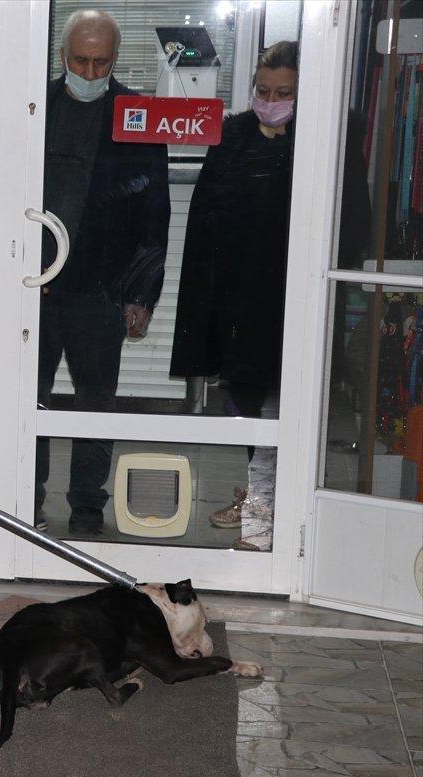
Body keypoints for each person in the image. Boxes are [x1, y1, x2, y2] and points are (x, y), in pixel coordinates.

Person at [170, 41, 370, 551]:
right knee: (242, 397)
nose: (271, 100)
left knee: (293, 400)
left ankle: (270, 509)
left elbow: (353, 220)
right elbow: (204, 219)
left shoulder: (326, 137)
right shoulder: (233, 134)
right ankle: (263, 493)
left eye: (284, 93)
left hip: (296, 296)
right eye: (264, 90)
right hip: (238, 298)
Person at [36, 10, 170, 537]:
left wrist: (142, 293)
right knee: (33, 396)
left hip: (103, 288)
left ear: (115, 60)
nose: (90, 74)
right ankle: (26, 493)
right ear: (61, 57)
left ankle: (88, 501)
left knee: (96, 397)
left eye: (101, 63)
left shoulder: (135, 114)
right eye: (80, 61)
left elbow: (154, 213)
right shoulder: (34, 107)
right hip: (36, 284)